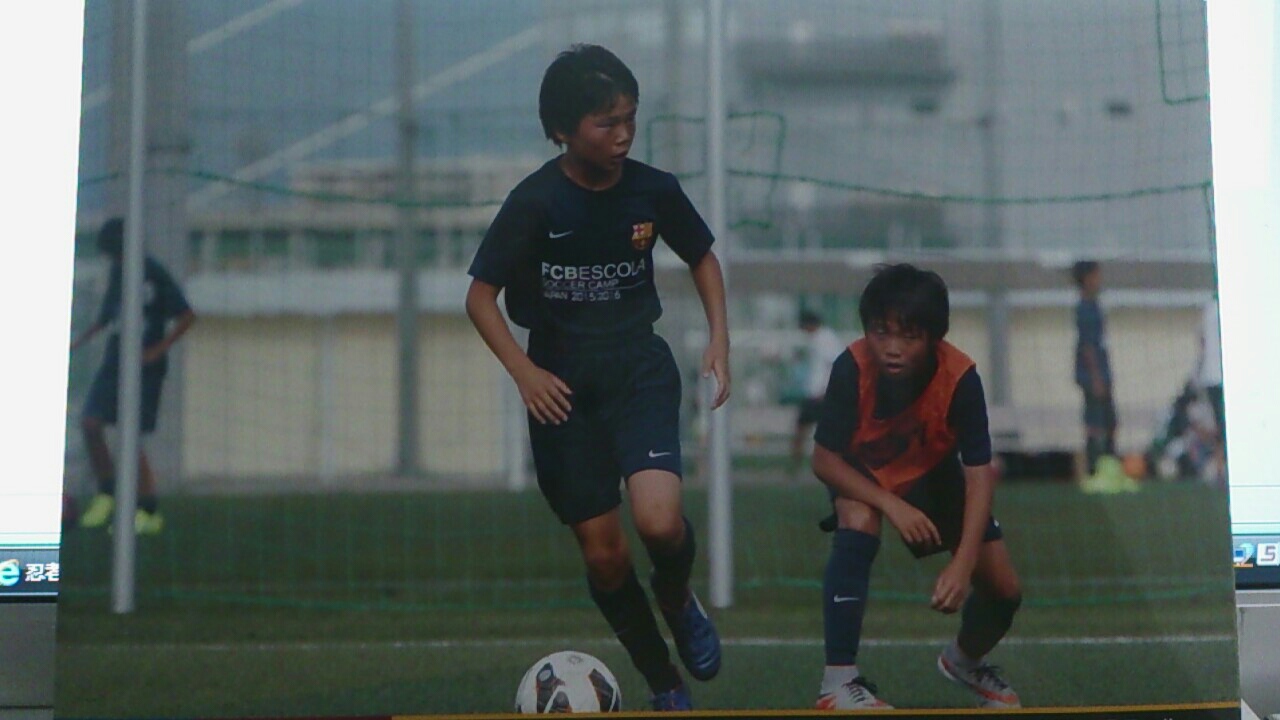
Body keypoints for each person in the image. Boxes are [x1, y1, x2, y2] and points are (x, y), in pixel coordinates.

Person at [464, 44, 730, 711]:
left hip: (638, 370)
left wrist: (720, 339)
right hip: (561, 392)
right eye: (606, 123)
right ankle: (664, 683)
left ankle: (677, 593)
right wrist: (523, 371)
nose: (623, 134)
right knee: (606, 557)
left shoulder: (653, 189)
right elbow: (479, 297)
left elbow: (702, 256)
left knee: (660, 523)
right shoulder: (535, 202)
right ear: (562, 130)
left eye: (630, 118)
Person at [811, 264, 1022, 710]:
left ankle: (963, 661)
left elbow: (979, 474)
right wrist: (891, 504)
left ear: (933, 338)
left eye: (908, 336)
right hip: (864, 476)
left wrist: (962, 565)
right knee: (858, 517)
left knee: (1004, 591)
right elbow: (825, 460)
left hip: (932, 474)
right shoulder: (851, 367)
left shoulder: (960, 377)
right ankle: (837, 683)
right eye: (881, 332)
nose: (892, 348)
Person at [71, 217, 196, 535]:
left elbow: (187, 315)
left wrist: (158, 349)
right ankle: (107, 492)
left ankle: (148, 510)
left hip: (144, 367)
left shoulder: (153, 272)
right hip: (115, 361)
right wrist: (76, 343)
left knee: (129, 437)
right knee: (90, 423)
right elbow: (106, 317)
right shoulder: (118, 272)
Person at [1071, 260, 1117, 477]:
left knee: (1110, 422)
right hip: (1093, 374)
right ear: (1087, 278)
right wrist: (1096, 377)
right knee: (1096, 423)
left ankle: (1109, 469)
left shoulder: (1096, 304)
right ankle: (1095, 471)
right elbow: (1087, 346)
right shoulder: (1084, 308)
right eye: (1096, 276)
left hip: (1102, 371)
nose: (1099, 280)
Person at [791, 309, 845, 482]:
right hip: (815, 394)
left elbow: (835, 364)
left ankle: (803, 467)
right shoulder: (817, 339)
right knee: (803, 429)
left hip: (820, 395)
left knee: (807, 431)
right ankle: (798, 467)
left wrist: (826, 389)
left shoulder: (826, 339)